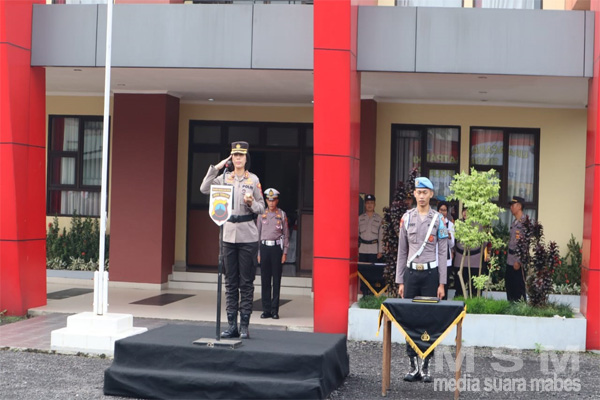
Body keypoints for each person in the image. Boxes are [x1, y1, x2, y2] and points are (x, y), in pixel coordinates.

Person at [200, 141, 265, 339]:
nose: (238, 158)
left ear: (246, 158)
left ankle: (244, 325)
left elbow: (262, 208)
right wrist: (218, 167)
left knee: (246, 282)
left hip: (247, 235)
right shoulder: (223, 178)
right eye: (235, 155)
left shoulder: (253, 180)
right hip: (228, 235)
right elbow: (204, 188)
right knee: (230, 282)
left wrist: (251, 203)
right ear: (231, 158)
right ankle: (231, 326)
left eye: (241, 155)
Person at [396, 177, 448, 383]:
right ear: (414, 194)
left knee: (428, 319)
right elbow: (402, 251)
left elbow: (442, 252)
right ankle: (412, 365)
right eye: (418, 192)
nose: (421, 196)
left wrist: (442, 283)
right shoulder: (406, 218)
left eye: (425, 192)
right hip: (410, 275)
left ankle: (426, 366)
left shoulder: (439, 220)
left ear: (431, 194)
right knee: (408, 319)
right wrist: (400, 281)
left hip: (430, 275)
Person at [257, 188, 289, 320]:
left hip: (276, 249)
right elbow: (257, 235)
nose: (271, 203)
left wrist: (285, 252)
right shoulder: (261, 214)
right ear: (266, 200)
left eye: (273, 200)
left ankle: (274, 310)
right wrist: (258, 253)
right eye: (269, 200)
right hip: (264, 248)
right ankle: (266, 310)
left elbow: (286, 235)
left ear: (277, 201)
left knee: (276, 280)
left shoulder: (281, 214)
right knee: (265, 280)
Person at [452, 207, 486, 298]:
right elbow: (452, 240)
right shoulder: (457, 224)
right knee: (459, 287)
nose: (465, 213)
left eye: (468, 211)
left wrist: (478, 251)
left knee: (474, 289)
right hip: (460, 258)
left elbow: (485, 241)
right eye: (464, 211)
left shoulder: (479, 224)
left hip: (475, 259)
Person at [506, 196, 527, 302]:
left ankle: (520, 309)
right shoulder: (514, 222)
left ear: (519, 206)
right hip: (510, 260)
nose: (511, 207)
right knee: (510, 287)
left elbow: (525, 244)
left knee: (518, 289)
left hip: (517, 262)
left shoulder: (524, 223)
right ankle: (511, 307)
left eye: (513, 205)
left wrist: (518, 261)